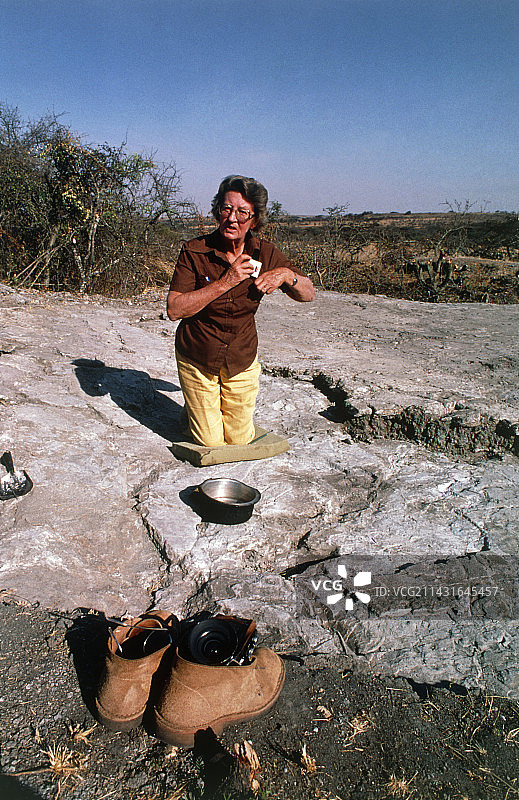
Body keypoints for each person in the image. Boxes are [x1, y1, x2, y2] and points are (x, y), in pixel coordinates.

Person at [167, 175, 315, 448]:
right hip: (198, 354)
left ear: (254, 220)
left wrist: (285, 275)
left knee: (239, 440)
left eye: (242, 212)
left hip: (241, 356)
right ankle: (195, 409)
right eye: (226, 209)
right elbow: (175, 309)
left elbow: (308, 293)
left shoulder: (266, 252)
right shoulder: (194, 251)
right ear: (217, 211)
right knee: (211, 443)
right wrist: (226, 281)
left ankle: (206, 409)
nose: (232, 219)